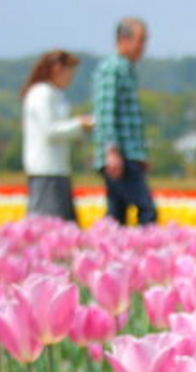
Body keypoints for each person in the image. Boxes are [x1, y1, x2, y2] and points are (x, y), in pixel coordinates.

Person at [92, 18, 157, 225]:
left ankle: (115, 254)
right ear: (123, 39)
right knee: (146, 210)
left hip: (129, 153)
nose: (143, 47)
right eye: (141, 40)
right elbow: (106, 112)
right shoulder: (112, 69)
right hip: (120, 154)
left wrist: (141, 154)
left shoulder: (126, 68)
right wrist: (111, 151)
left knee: (116, 214)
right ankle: (147, 251)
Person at [21, 50, 92, 223]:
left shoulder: (53, 94)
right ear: (57, 69)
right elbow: (50, 131)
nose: (71, 78)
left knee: (62, 224)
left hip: (57, 169)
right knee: (49, 222)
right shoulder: (42, 93)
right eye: (70, 72)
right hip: (45, 169)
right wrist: (79, 125)